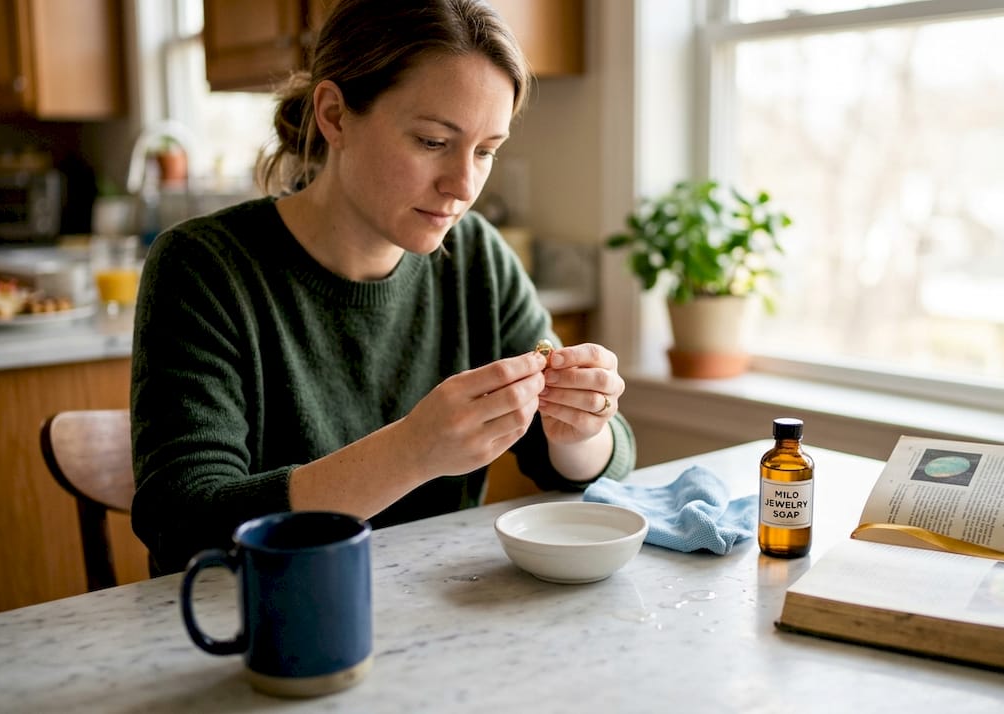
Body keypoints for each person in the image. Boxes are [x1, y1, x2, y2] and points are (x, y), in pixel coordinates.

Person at [129, 0, 636, 573]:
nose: (463, 184)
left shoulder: (477, 258)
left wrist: (578, 427)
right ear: (335, 115)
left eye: (487, 151)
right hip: (261, 626)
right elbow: (182, 524)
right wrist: (412, 452)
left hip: (440, 622)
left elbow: (596, 465)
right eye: (431, 141)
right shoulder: (203, 268)